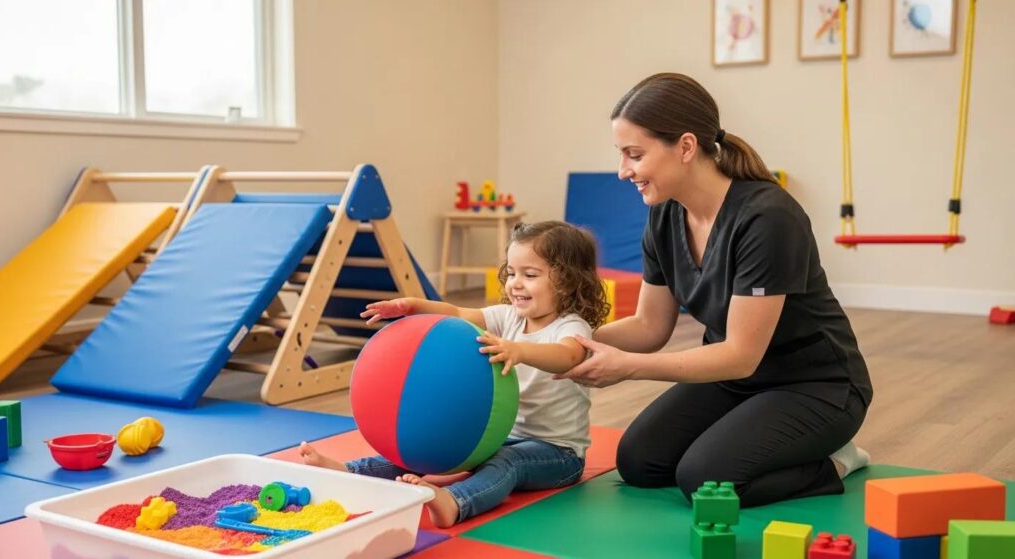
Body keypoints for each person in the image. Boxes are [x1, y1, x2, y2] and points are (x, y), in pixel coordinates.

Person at [553, 73, 873, 507]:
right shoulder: (664, 216)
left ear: (686, 147)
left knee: (705, 480)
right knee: (639, 461)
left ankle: (836, 461)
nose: (623, 171)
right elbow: (650, 326)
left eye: (634, 155)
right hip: (734, 379)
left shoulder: (767, 218)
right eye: (621, 154)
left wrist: (627, 367)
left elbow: (741, 354)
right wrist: (566, 338)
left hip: (817, 386)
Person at [300, 220, 610, 527]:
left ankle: (456, 502)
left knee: (507, 463)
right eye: (512, 273)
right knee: (427, 449)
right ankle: (351, 472)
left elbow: (568, 356)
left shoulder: (571, 326)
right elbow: (460, 314)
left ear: (566, 281)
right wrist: (414, 306)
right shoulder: (509, 317)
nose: (516, 283)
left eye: (529, 275)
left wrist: (519, 350)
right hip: (502, 437)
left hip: (558, 453)